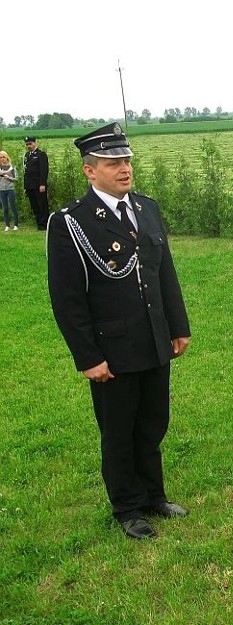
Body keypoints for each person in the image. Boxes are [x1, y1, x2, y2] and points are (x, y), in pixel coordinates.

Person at [46, 123, 191, 540]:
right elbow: (68, 299)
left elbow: (165, 274)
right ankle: (127, 506)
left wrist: (177, 327)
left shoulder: (146, 208)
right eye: (113, 163)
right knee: (119, 428)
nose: (124, 169)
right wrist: (88, 357)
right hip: (113, 347)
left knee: (152, 422)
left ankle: (153, 495)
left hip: (153, 337)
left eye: (126, 160)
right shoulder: (71, 223)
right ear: (90, 171)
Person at [23, 136, 49, 230]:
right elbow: (25, 171)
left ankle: (44, 224)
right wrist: (25, 186)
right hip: (29, 185)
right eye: (27, 144)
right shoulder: (27, 155)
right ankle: (38, 222)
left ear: (35, 143)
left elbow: (44, 170)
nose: (28, 146)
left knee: (41, 204)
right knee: (34, 205)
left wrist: (42, 184)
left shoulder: (41, 154)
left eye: (30, 144)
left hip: (38, 185)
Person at [0, 151, 20, 231]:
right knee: (5, 208)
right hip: (1, 190)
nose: (2, 159)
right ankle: (7, 225)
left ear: (6, 157)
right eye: (0, 158)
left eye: (3, 157)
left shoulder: (12, 167)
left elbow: (16, 179)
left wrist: (9, 177)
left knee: (13, 206)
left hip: (10, 189)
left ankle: (16, 224)